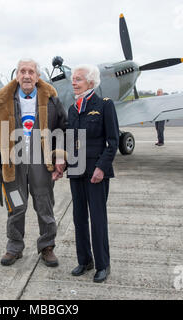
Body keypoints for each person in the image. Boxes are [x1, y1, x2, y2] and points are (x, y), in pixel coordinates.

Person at [0, 59, 68, 267]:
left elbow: (63, 129)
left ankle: (47, 246)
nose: (27, 75)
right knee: (15, 206)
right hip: (13, 165)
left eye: (31, 71)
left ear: (38, 76)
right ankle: (14, 247)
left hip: (42, 162)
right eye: (23, 71)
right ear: (17, 75)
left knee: (44, 205)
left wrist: (59, 157)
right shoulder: (3, 101)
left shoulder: (51, 100)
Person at [66, 64, 119, 283]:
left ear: (90, 82)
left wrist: (101, 168)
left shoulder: (104, 105)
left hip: (96, 172)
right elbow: (70, 141)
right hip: (76, 170)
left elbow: (113, 141)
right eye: (73, 79)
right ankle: (84, 260)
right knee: (79, 218)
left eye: (78, 79)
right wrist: (62, 164)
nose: (74, 82)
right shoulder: (73, 108)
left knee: (98, 219)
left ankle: (102, 265)